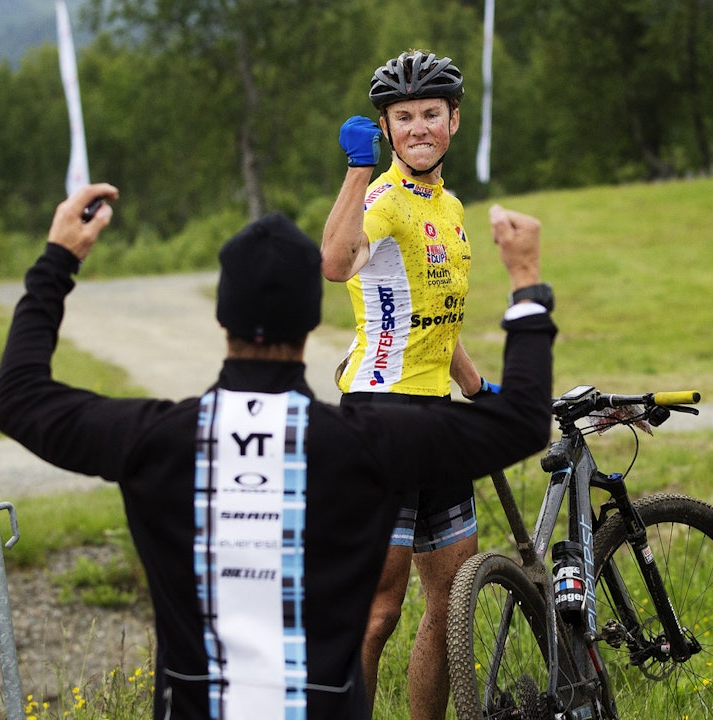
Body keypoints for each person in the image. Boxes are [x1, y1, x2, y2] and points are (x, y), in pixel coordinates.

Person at [0, 183, 556, 720]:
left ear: (221, 317)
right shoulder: (369, 445)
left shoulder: (155, 440)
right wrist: (526, 284)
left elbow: (17, 399)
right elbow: (522, 422)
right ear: (313, 321)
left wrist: (57, 262)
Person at [320, 50, 504, 719]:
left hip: (438, 419)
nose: (419, 127)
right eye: (404, 117)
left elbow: (438, 318)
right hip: (377, 416)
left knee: (451, 603)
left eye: (431, 113)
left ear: (453, 120)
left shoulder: (449, 206)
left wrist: (480, 389)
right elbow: (335, 264)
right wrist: (357, 169)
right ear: (387, 127)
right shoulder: (383, 201)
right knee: (377, 611)